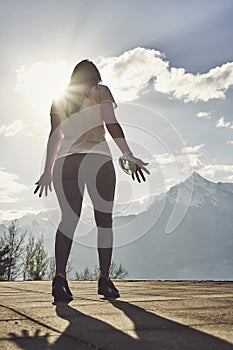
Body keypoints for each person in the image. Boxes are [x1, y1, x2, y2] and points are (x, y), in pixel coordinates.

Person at [34, 60, 150, 304]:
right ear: (95, 76)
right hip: (98, 160)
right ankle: (105, 280)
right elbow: (111, 125)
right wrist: (128, 155)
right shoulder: (101, 91)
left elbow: (55, 136)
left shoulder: (59, 98)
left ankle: (60, 279)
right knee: (104, 220)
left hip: (66, 163)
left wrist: (46, 170)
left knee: (68, 220)